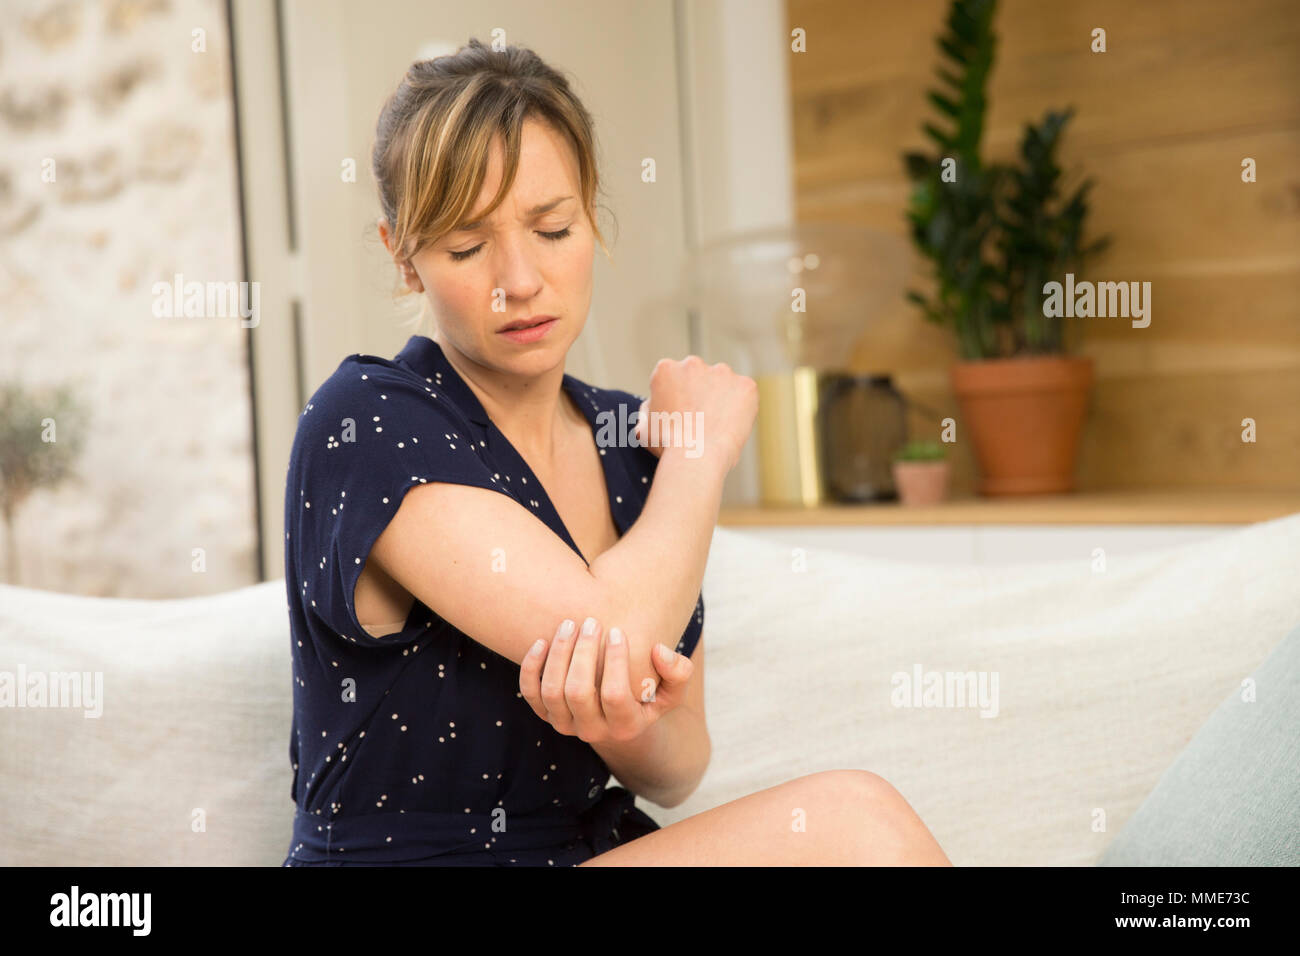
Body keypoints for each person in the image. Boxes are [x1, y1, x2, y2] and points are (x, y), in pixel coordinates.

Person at [281, 37, 951, 866]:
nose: (519, 279)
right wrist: (701, 459)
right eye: (465, 247)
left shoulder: (632, 444)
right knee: (856, 823)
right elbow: (615, 634)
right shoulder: (368, 423)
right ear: (402, 257)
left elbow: (678, 770)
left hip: (582, 852)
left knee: (865, 824)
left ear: (592, 213)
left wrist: (625, 725)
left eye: (552, 227)